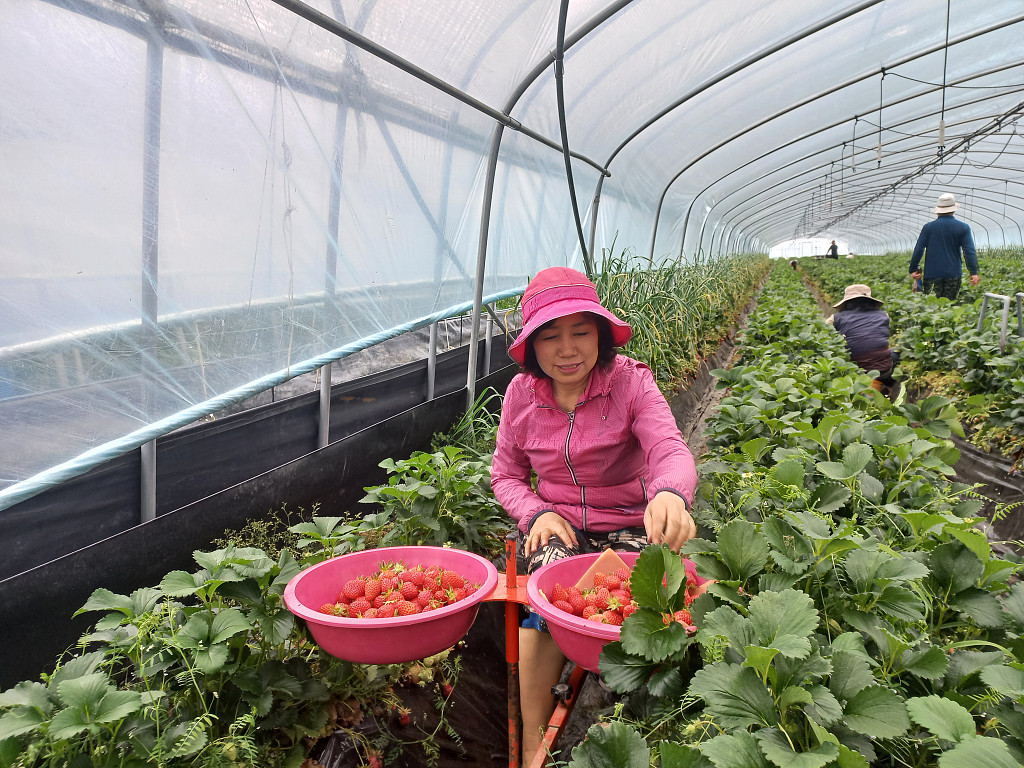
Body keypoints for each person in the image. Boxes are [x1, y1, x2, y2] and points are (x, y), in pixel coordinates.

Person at [491, 266, 698, 763]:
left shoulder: (630, 382)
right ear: (532, 346)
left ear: (601, 335)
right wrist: (536, 513)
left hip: (630, 520)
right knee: (544, 598)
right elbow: (506, 476)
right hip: (559, 523)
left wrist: (670, 494)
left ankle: (630, 716)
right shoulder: (521, 396)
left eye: (580, 332)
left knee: (638, 603)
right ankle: (534, 740)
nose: (567, 350)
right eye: (550, 336)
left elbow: (669, 448)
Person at [827, 283, 899, 398]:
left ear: (847, 303)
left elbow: (824, 337)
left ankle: (864, 385)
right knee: (896, 352)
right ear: (870, 301)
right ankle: (883, 385)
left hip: (853, 370)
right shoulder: (884, 315)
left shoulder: (835, 319)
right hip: (883, 370)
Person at [909, 193, 980, 299]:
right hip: (953, 274)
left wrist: (913, 269)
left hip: (932, 274)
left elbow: (919, 249)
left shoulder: (928, 228)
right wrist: (973, 272)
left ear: (938, 210)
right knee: (948, 304)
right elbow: (969, 251)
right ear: (954, 209)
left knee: (931, 305)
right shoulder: (963, 227)